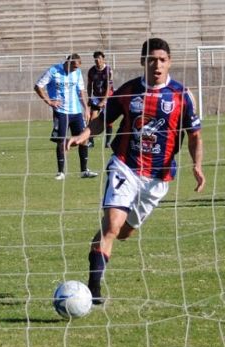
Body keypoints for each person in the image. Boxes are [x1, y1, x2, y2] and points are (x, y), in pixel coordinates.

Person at [67, 38, 205, 304]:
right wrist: (84, 134)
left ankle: (100, 245)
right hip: (125, 166)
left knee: (125, 233)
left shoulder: (181, 95)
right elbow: (103, 121)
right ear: (143, 62)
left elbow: (195, 136)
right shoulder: (128, 91)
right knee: (112, 225)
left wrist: (197, 165)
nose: (157, 64)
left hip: (157, 177)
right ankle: (93, 291)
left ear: (170, 62)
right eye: (151, 59)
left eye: (162, 59)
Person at [34, 54, 98, 180]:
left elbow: (80, 91)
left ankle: (84, 170)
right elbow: (38, 86)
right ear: (68, 63)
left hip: (76, 112)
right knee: (61, 141)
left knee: (83, 139)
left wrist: (86, 108)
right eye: (74, 67)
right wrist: (49, 101)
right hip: (61, 112)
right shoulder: (54, 70)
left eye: (77, 68)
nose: (75, 69)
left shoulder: (78, 73)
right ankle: (61, 172)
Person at [86, 51, 114, 148]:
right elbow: (89, 85)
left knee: (109, 120)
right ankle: (91, 141)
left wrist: (104, 100)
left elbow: (109, 87)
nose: (97, 61)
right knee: (92, 118)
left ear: (103, 59)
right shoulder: (91, 71)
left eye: (99, 58)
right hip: (96, 96)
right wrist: (89, 98)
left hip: (108, 96)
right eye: (96, 59)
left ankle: (108, 142)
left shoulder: (108, 70)